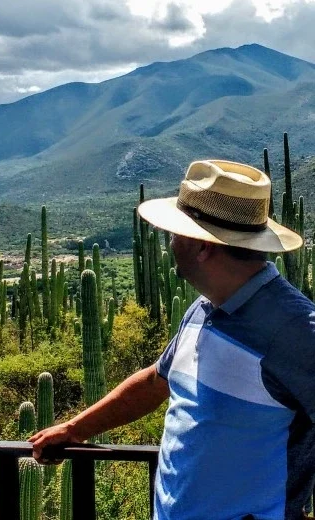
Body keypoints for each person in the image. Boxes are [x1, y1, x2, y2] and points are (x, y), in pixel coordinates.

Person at [29, 159, 315, 520]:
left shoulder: (294, 330)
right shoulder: (204, 308)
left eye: (176, 233)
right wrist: (75, 429)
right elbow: (156, 380)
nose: (169, 244)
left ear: (202, 245)